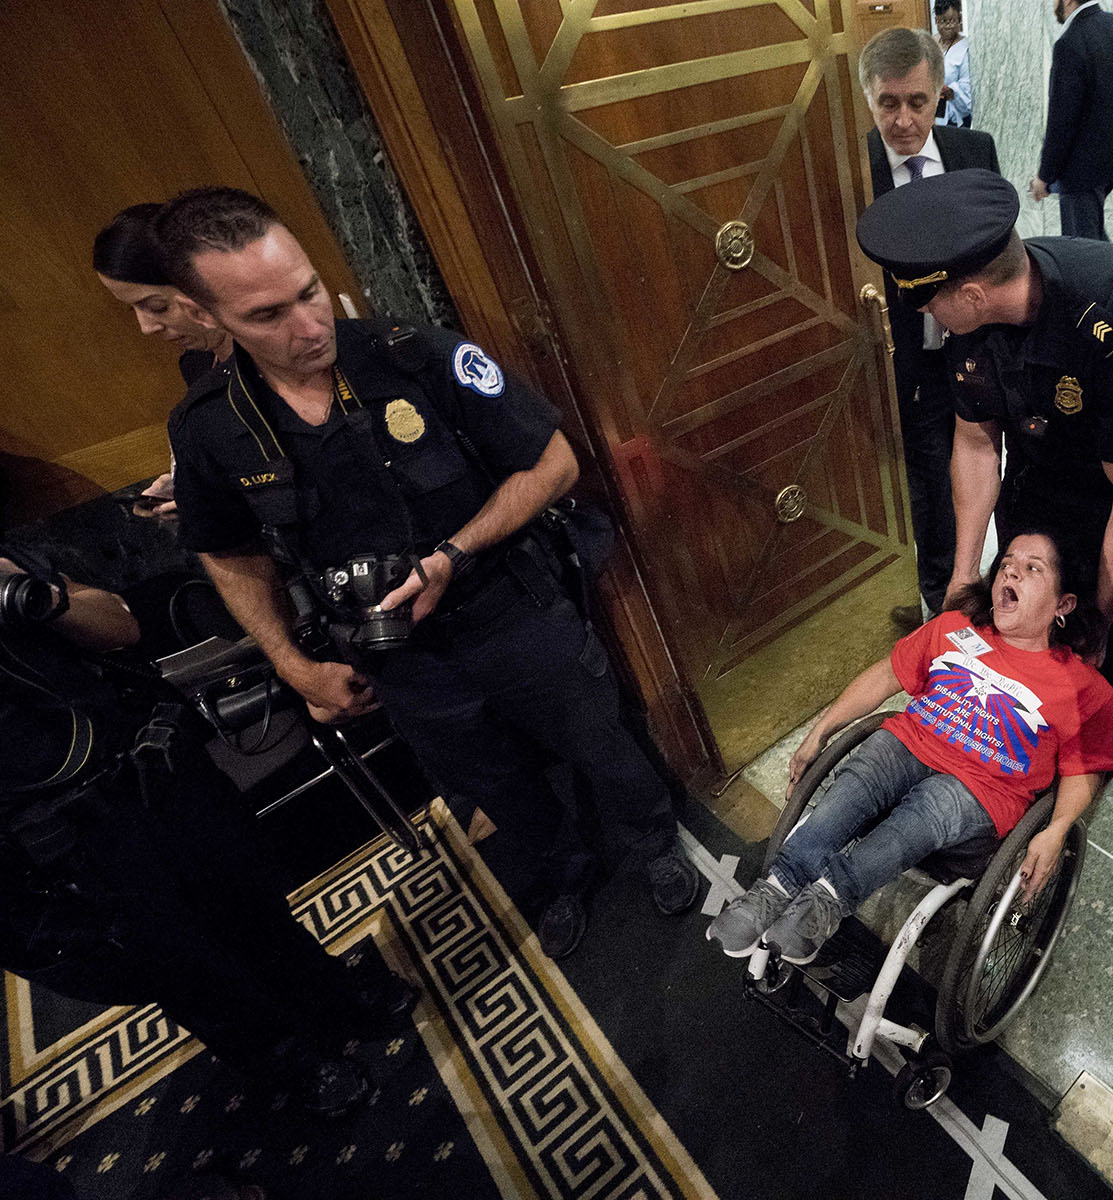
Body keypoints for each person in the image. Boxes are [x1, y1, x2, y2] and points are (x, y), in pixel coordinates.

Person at [157, 187, 700, 960]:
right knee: (494, 781)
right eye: (267, 316)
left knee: (601, 740)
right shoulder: (211, 428)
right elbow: (228, 551)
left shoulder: (411, 356)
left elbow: (555, 462)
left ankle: (653, 845)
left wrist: (454, 554)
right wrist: (292, 665)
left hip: (507, 607)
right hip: (396, 658)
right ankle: (563, 869)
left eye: (308, 291)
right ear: (209, 318)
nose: (308, 326)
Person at [0, 545, 414, 1118]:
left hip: (148, 766)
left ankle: (329, 994)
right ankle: (286, 1058)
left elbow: (119, 625)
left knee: (249, 895)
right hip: (62, 838)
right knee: (182, 961)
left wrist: (38, 598)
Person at [858, 169, 1113, 747]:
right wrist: (962, 578)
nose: (929, 318)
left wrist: (1098, 619)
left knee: (1110, 644)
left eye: (931, 305)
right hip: (1035, 478)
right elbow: (976, 442)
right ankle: (1024, 749)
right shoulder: (974, 313)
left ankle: (1099, 753)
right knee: (1017, 622)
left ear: (973, 295)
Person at [707, 530, 1113, 964]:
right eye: (1007, 562)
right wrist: (821, 730)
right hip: (909, 747)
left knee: (935, 802)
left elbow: (1083, 771)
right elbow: (885, 676)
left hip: (979, 794)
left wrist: (1056, 831)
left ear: (1064, 605)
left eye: (1032, 568)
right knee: (870, 765)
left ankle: (826, 903)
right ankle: (776, 886)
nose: (1012, 569)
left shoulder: (1082, 689)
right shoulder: (954, 628)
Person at [860, 27, 1001, 630]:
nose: (903, 120)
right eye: (888, 103)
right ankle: (938, 606)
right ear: (869, 98)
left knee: (988, 460)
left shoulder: (974, 151)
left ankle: (996, 581)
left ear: (939, 94)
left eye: (917, 102)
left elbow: (998, 245)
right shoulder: (855, 167)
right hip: (909, 359)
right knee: (928, 480)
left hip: (978, 346)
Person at [92, 203, 238, 516]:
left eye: (157, 307)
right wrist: (184, 484)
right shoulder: (197, 364)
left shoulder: (284, 362)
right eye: (132, 309)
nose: (146, 328)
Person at [1028, 0, 1113, 242]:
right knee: (1093, 235)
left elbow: (1062, 121)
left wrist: (1044, 177)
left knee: (1082, 248)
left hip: (1083, 168)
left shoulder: (1070, 42)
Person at [934, 0, 973, 128]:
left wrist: (950, 91)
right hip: (932, 116)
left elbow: (967, 93)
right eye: (943, 21)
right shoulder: (930, 43)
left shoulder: (965, 47)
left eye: (952, 21)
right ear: (936, 21)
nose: (948, 26)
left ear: (959, 19)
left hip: (955, 121)